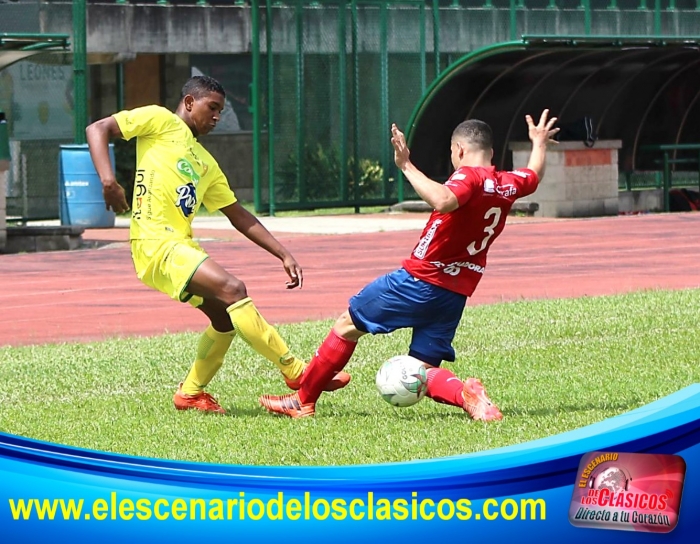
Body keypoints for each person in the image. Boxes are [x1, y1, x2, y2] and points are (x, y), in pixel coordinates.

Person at [259, 109, 559, 421]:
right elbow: (533, 175)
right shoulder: (508, 183)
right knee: (423, 371)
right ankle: (468, 397)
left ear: (459, 150)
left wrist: (406, 165)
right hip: (455, 293)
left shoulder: (467, 175)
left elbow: (444, 200)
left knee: (347, 325)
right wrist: (539, 142)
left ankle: (302, 401)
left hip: (419, 281)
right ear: (492, 152)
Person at [85, 75, 350, 415]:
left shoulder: (205, 163)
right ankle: (296, 371)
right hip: (155, 243)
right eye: (212, 108)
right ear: (190, 102)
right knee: (233, 289)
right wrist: (109, 182)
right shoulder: (160, 120)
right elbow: (98, 128)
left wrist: (282, 252)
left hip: (180, 246)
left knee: (224, 318)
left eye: (221, 111)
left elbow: (238, 215)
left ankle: (191, 393)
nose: (216, 117)